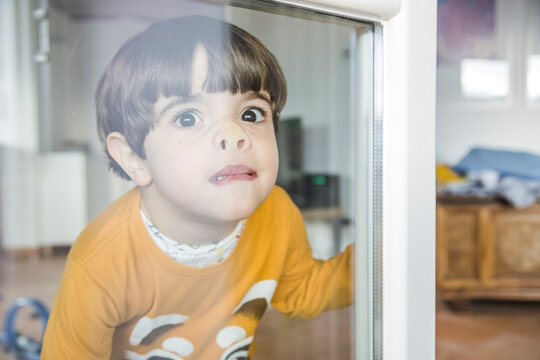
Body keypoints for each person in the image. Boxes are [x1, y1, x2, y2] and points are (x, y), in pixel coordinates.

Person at [42, 15, 354, 360]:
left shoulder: (276, 210)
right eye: (187, 118)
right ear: (134, 158)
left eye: (251, 114)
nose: (235, 135)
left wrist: (387, 257)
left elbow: (302, 291)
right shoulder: (100, 262)